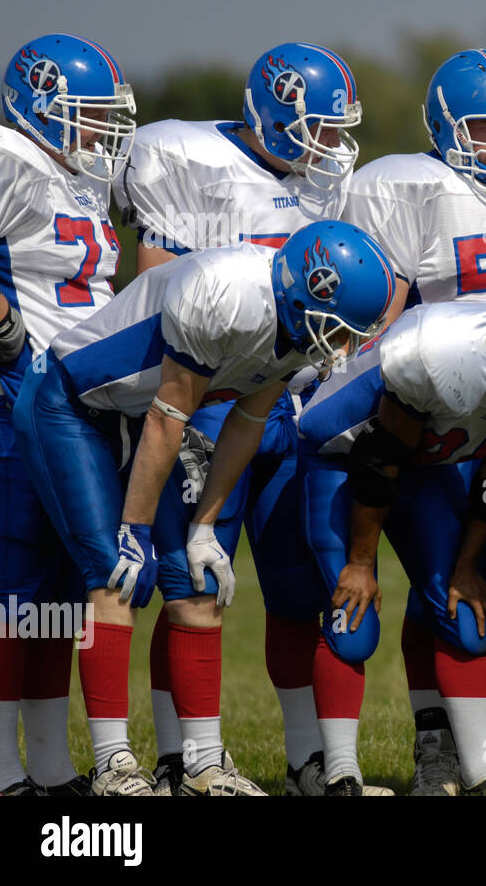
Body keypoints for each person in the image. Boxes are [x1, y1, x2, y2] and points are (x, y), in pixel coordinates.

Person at [12, 220, 394, 795]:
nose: (340, 348)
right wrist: (134, 528)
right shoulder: (225, 294)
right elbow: (170, 417)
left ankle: (201, 765)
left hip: (145, 414)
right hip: (73, 404)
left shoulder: (293, 323)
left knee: (195, 581)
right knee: (115, 574)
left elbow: (246, 420)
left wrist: (205, 525)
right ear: (303, 292)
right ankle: (115, 766)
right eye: (336, 330)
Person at [114, 41, 373, 795]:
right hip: (209, 404)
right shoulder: (185, 157)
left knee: (296, 588)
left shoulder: (323, 184)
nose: (332, 144)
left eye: (339, 127)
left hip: (288, 406)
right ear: (276, 114)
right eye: (320, 126)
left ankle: (307, 760)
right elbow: (156, 292)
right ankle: (182, 756)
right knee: (191, 585)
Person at [342, 49, 486, 794]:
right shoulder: (412, 188)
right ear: (445, 127)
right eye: (485, 127)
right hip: (437, 416)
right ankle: (437, 747)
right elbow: (381, 318)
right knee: (447, 588)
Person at [295, 285, 486, 794]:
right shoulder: (431, 353)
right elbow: (378, 457)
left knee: (467, 617)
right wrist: (360, 562)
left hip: (421, 463)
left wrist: (467, 563)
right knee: (352, 622)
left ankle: (483, 774)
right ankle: (341, 775)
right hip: (344, 459)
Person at [0, 32, 136, 796]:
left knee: (56, 594)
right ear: (40, 105)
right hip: (11, 399)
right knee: (7, 592)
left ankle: (47, 762)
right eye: (87, 115)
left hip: (73, 404)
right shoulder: (5, 155)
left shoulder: (75, 179)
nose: (100, 132)